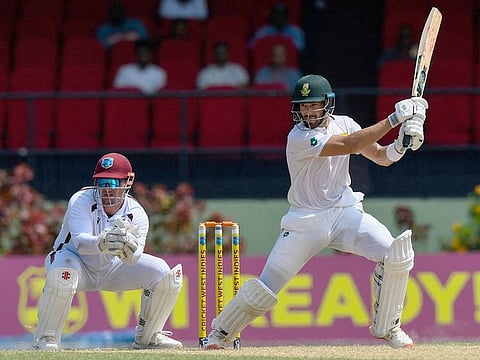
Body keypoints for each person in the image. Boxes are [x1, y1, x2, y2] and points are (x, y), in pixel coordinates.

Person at [202, 74, 428, 349]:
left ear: (328, 104)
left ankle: (388, 328)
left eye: (313, 105)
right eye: (303, 106)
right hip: (306, 221)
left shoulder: (345, 123)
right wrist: (394, 120)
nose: (308, 111)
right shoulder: (298, 137)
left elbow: (381, 156)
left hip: (345, 212)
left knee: (396, 254)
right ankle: (219, 334)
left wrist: (402, 144)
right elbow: (348, 145)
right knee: (266, 286)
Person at [32, 153, 183, 351]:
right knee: (63, 275)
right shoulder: (81, 200)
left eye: (112, 183)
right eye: (101, 182)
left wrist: (128, 250)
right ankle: (46, 338)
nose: (106, 190)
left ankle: (149, 337)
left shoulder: (136, 214)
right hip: (75, 262)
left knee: (164, 273)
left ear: (128, 181)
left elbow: (133, 260)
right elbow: (81, 244)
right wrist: (103, 242)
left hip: (112, 268)